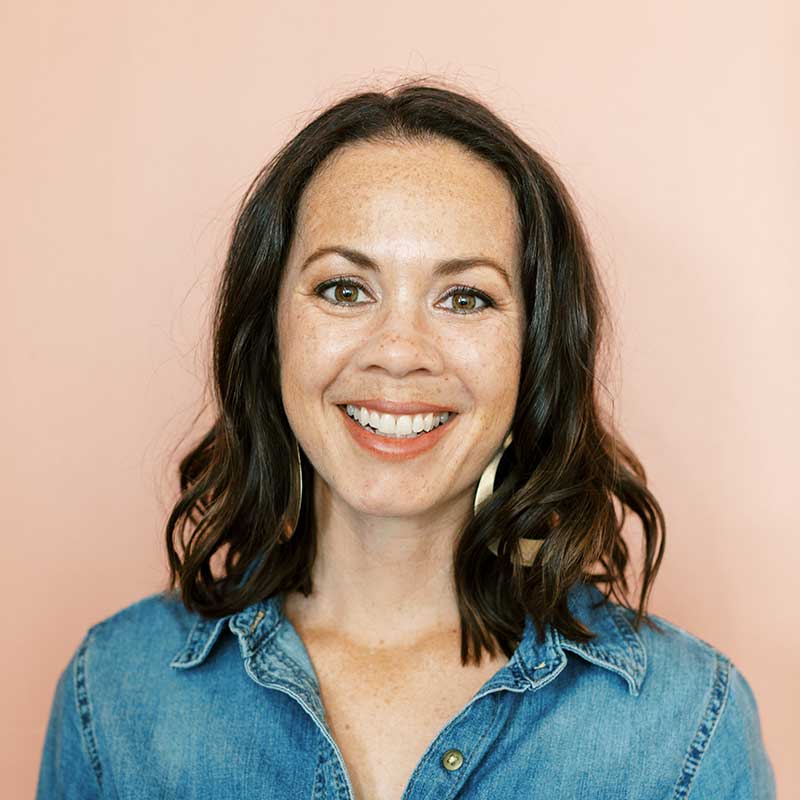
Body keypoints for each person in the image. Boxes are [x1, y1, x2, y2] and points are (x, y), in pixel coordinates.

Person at [36, 80, 777, 799]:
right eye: (344, 289)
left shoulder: (688, 727)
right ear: (270, 334)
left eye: (465, 297)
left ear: (535, 351)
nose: (399, 350)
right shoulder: (115, 691)